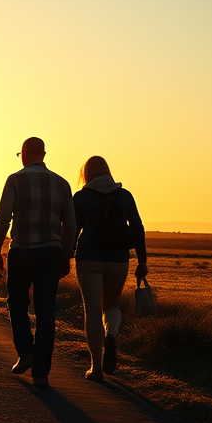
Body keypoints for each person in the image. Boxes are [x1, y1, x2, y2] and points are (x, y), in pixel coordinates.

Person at [0, 137, 76, 388]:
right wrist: (66, 255)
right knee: (46, 311)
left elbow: (2, 219)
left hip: (22, 251)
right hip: (50, 252)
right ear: (44, 154)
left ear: (26, 153)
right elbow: (69, 224)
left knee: (17, 302)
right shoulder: (62, 183)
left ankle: (26, 352)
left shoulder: (15, 180)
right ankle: (41, 373)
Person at [73, 156, 147, 381]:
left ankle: (95, 368)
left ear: (86, 173)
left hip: (88, 259)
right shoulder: (124, 195)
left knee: (93, 310)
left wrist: (66, 254)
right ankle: (111, 334)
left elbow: (73, 229)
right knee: (112, 304)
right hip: (118, 259)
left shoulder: (81, 197)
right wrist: (142, 261)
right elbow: (137, 228)